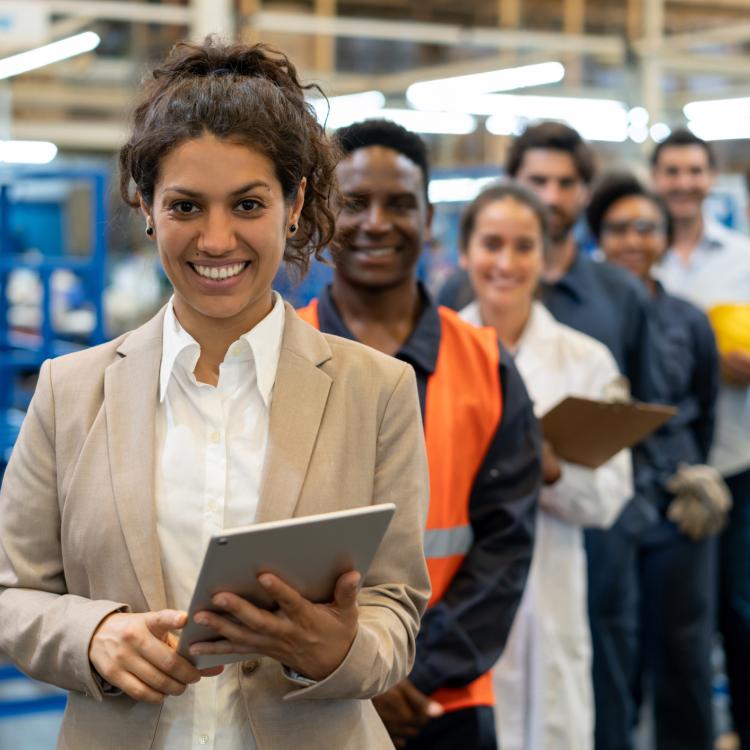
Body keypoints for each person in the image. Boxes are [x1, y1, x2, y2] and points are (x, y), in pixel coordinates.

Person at [0, 39, 432, 750]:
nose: (217, 238)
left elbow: (395, 606)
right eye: (186, 206)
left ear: (294, 205)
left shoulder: (375, 390)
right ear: (145, 206)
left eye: (249, 203)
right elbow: (14, 594)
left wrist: (338, 653)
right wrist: (95, 635)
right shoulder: (70, 391)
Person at [297, 119, 541, 750]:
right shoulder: (274, 356)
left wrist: (406, 672)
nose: (377, 222)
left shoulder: (487, 365)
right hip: (301, 694)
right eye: (354, 203)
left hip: (441, 698)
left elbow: (505, 546)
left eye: (400, 204)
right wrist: (353, 670)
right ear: (319, 212)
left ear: (429, 218)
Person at [457, 182, 632, 750]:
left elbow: (609, 498)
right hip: (456, 600)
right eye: (491, 244)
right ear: (464, 252)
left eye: (524, 246)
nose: (505, 263)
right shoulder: (429, 355)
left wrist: (550, 468)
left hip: (551, 591)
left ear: (546, 256)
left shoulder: (586, 361)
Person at [586, 171, 726, 750]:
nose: (633, 240)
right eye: (618, 228)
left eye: (647, 227)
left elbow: (706, 407)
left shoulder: (690, 319)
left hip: (675, 508)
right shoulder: (582, 315)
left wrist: (695, 470)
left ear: (665, 239)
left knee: (684, 653)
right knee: (611, 656)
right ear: (598, 237)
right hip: (603, 509)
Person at [650, 129, 750, 748]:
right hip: (661, 468)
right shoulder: (637, 255)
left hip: (736, 460)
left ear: (710, 178)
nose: (683, 182)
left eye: (694, 171)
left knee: (739, 613)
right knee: (673, 623)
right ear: (656, 177)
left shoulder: (742, 259)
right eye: (672, 171)